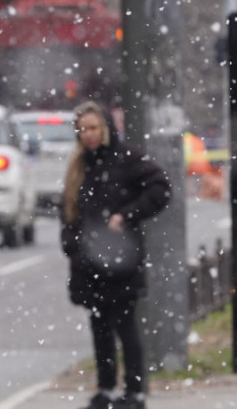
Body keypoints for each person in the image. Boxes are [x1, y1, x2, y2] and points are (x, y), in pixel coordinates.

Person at [60, 100, 171, 409]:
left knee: (125, 325)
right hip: (88, 262)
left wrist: (127, 215)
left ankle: (135, 392)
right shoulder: (79, 165)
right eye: (82, 129)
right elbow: (69, 212)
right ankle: (106, 388)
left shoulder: (127, 159)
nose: (89, 135)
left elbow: (160, 188)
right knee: (99, 327)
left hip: (120, 259)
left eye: (94, 127)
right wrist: (72, 244)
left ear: (106, 128)